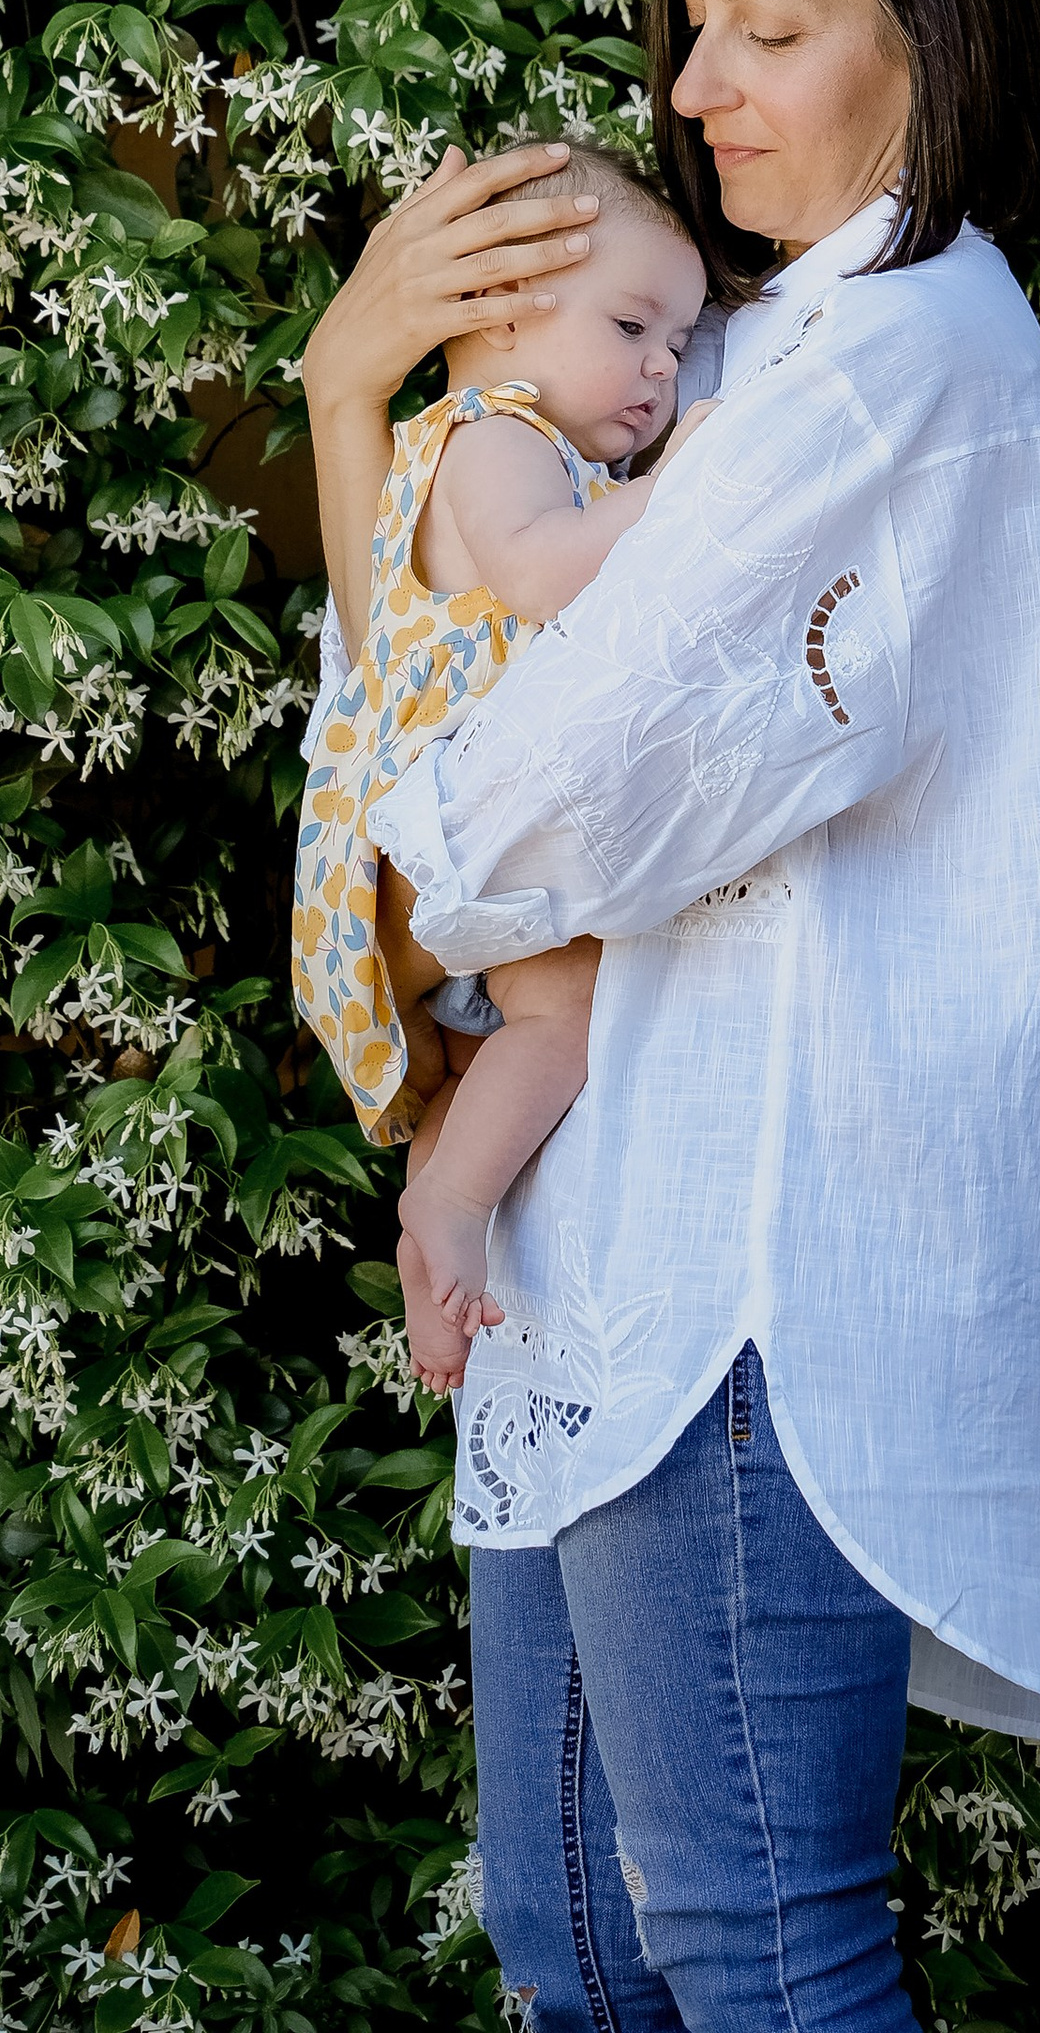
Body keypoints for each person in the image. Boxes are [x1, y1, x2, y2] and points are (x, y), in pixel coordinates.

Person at [303, 0, 1040, 2033]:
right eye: (689, 19)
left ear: (931, 34)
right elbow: (440, 731)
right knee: (583, 1949)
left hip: (755, 1270)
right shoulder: (748, 346)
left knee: (756, 1950)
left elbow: (497, 832)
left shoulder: (884, 366)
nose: (692, 88)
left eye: (763, 24)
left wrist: (350, 404)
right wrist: (353, 387)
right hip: (611, 1255)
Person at [292, 150, 712, 1385]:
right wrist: (676, 495)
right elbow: (538, 570)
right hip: (449, 840)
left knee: (475, 1076)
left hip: (435, 844)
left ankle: (435, 1284)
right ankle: (449, 1213)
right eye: (632, 326)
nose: (661, 369)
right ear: (499, 311)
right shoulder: (490, 437)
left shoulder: (512, 449)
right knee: (567, 1016)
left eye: (680, 346)